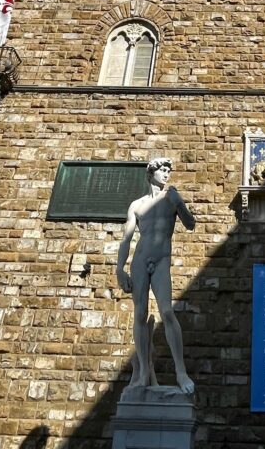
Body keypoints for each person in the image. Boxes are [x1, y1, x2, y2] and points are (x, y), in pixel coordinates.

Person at [116, 157, 196, 394]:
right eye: (163, 170)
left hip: (161, 260)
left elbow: (190, 224)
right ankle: (142, 374)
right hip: (140, 260)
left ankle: (181, 372)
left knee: (167, 311)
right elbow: (126, 239)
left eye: (169, 170)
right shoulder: (137, 205)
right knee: (140, 314)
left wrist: (180, 204)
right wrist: (120, 268)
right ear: (151, 173)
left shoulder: (171, 197)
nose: (167, 174)